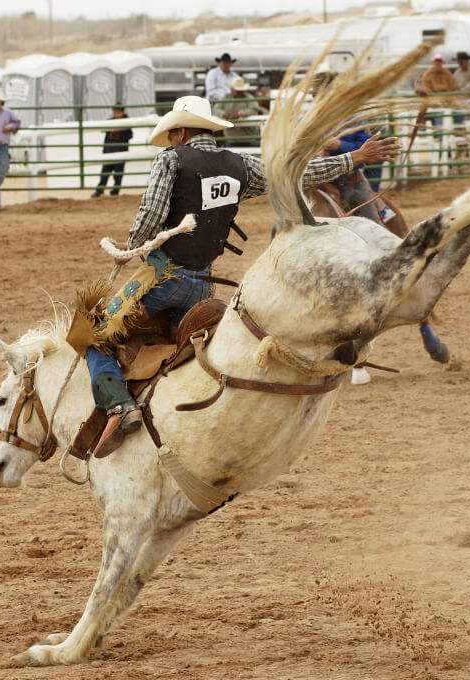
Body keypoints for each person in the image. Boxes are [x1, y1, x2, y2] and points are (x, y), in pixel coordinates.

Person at [81, 95, 401, 456]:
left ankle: (120, 407)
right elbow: (291, 175)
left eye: (172, 134)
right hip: (201, 286)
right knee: (185, 352)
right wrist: (354, 158)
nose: (171, 140)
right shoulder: (238, 166)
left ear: (180, 131)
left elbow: (148, 223)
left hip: (162, 278)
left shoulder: (171, 160)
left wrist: (133, 244)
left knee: (91, 336)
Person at [91, 106, 133, 197]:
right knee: (104, 173)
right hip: (109, 151)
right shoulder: (110, 121)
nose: (116, 114)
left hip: (120, 152)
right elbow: (103, 130)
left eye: (117, 112)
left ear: (122, 112)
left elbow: (129, 136)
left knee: (118, 175)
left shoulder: (127, 123)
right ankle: (99, 191)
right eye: (114, 112)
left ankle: (115, 192)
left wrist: (120, 130)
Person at [216, 77, 262, 147]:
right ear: (232, 90)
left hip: (249, 136)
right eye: (237, 91)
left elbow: (254, 109)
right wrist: (224, 114)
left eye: (241, 90)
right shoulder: (226, 98)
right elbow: (216, 109)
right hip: (232, 137)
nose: (240, 92)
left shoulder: (249, 98)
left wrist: (240, 114)